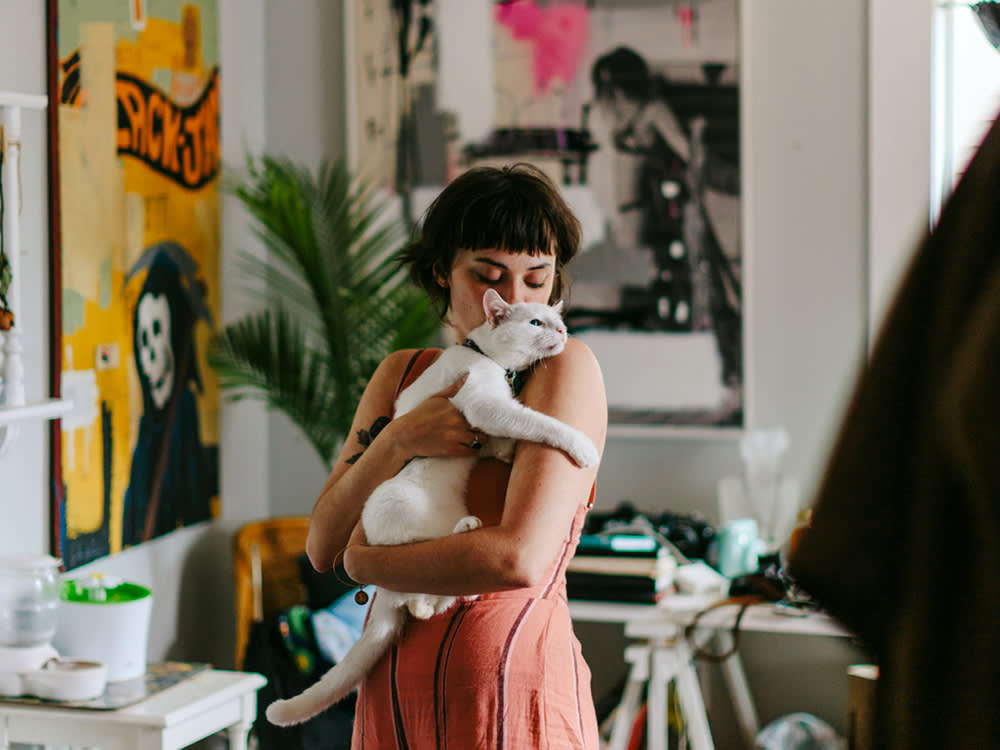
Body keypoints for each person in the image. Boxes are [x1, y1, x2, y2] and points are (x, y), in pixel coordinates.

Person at [305, 163, 608, 749]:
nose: (516, 302)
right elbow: (322, 543)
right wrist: (397, 440)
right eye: (490, 277)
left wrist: (364, 564)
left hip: (506, 699)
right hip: (392, 695)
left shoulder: (564, 370)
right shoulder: (403, 374)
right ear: (442, 271)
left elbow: (516, 559)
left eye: (538, 280)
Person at [590, 46, 742, 388]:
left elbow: (689, 155)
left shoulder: (629, 110)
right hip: (616, 212)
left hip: (627, 213)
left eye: (612, 83)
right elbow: (689, 154)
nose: (610, 90)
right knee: (636, 287)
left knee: (642, 286)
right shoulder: (626, 109)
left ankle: (645, 364)